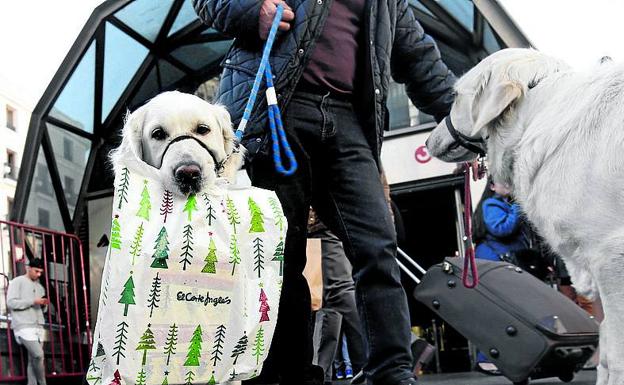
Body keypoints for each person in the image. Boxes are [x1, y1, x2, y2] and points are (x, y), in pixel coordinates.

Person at [193, 0, 456, 383]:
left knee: (377, 246)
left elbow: (418, 55)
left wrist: (467, 121)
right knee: (281, 255)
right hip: (278, 106)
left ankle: (392, 371)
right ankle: (290, 373)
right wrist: (253, 13)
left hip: (350, 118)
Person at [7, 258, 48, 385]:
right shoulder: (17, 282)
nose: (39, 274)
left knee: (33, 360)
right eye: (36, 271)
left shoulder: (40, 286)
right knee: (38, 355)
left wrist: (43, 304)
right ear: (29, 268)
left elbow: (43, 308)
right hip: (23, 325)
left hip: (38, 325)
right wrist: (33, 301)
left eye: (41, 272)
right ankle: (43, 383)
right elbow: (11, 303)